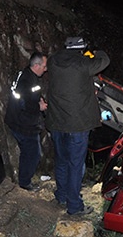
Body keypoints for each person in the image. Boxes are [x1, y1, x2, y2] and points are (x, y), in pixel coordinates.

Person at [45, 37, 110, 215]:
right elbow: (104, 61)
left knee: (61, 161)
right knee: (75, 164)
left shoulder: (53, 61)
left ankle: (61, 196)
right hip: (77, 125)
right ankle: (74, 206)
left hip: (57, 122)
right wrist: (96, 52)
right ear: (82, 49)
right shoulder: (83, 63)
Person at [4, 51, 48, 191]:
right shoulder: (26, 80)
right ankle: (25, 183)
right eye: (44, 66)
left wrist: (39, 99)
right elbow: (24, 103)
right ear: (36, 65)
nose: (46, 69)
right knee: (32, 153)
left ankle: (25, 181)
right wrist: (38, 107)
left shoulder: (29, 76)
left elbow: (31, 95)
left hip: (20, 120)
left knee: (29, 152)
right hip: (22, 123)